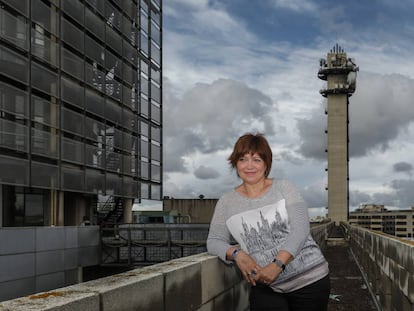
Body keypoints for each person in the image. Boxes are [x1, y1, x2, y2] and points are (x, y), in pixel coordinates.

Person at [207, 133, 330, 311]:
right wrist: (237, 254)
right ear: (236, 163)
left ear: (266, 164)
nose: (249, 166)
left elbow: (301, 228)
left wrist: (277, 265)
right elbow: (214, 240)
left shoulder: (284, 187)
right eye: (243, 159)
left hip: (310, 280)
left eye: (256, 160)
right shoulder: (226, 202)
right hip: (265, 284)